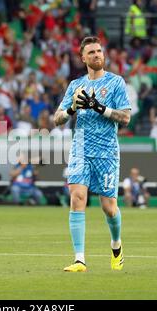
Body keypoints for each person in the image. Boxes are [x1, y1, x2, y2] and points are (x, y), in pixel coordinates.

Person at [53, 36, 131, 272]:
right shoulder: (76, 86)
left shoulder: (116, 82)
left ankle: (116, 246)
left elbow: (125, 118)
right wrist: (72, 108)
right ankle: (79, 259)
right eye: (92, 52)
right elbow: (57, 119)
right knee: (77, 198)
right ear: (83, 58)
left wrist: (99, 107)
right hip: (80, 149)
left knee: (109, 207)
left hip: (107, 152)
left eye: (99, 51)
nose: (97, 55)